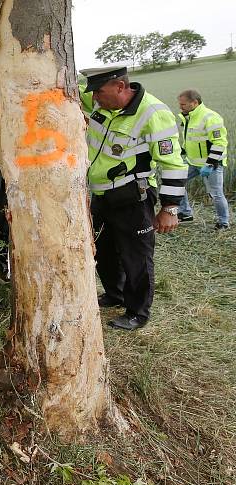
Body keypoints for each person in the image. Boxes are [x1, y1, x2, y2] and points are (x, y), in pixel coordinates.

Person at [79, 67, 187, 330]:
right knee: (103, 251)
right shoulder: (102, 102)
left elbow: (173, 164)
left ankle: (138, 312)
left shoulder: (154, 113)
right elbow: (68, 88)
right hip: (102, 194)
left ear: (119, 86)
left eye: (100, 92)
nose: (94, 99)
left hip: (132, 196)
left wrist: (170, 208)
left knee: (136, 255)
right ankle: (114, 295)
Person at [175, 89, 230, 229]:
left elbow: (220, 143)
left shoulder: (210, 117)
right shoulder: (189, 116)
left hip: (211, 164)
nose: (180, 107)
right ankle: (185, 213)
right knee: (177, 182)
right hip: (193, 162)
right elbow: (191, 139)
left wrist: (210, 163)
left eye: (183, 104)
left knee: (216, 194)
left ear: (194, 103)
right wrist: (181, 151)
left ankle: (224, 222)